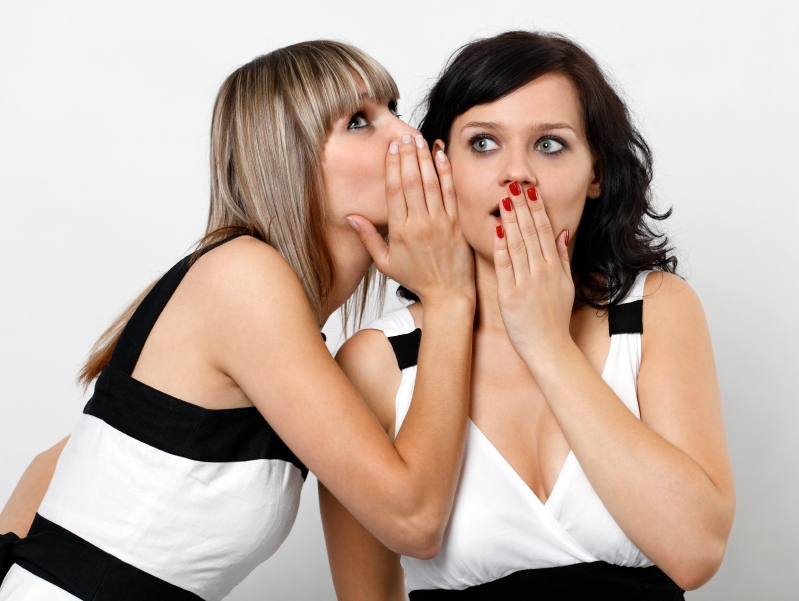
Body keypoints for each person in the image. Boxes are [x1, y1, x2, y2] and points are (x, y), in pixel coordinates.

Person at [0, 41, 477, 599]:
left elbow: (55, 465)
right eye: (358, 121)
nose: (407, 135)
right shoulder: (244, 276)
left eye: (392, 108)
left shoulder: (260, 302)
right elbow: (414, 521)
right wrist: (449, 298)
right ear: (290, 160)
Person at [320, 31, 735, 600]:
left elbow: (696, 552)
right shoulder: (377, 363)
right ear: (440, 166)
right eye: (483, 142)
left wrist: (546, 342)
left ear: (596, 173)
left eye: (550, 144)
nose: (517, 173)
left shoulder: (653, 309)